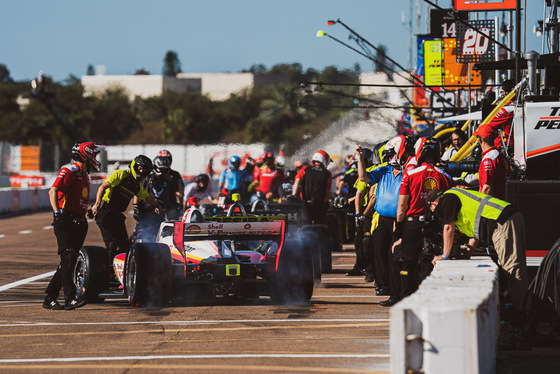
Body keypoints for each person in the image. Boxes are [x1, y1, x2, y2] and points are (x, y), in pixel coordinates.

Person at [428, 188, 528, 313]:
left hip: (502, 222)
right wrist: (468, 253)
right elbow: (475, 234)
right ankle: (524, 307)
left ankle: (522, 312)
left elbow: (449, 227)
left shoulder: (447, 198)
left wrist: (444, 255)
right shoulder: (456, 198)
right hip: (508, 217)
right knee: (517, 266)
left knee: (512, 268)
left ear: (433, 204)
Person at [384, 137, 453, 307]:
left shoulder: (410, 174)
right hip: (437, 225)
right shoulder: (445, 176)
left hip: (412, 224)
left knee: (406, 261)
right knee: (431, 261)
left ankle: (404, 299)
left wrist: (398, 230)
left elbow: (402, 206)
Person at [43, 142, 105, 310]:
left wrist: (89, 210)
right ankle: (70, 297)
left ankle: (50, 297)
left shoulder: (84, 174)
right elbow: (53, 191)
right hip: (66, 219)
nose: (96, 159)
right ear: (87, 155)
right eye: (95, 155)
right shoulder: (70, 171)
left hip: (79, 221)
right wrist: (58, 214)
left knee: (67, 262)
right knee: (69, 259)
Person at [355, 138, 406, 296]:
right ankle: (383, 285)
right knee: (379, 252)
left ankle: (396, 286)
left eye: (392, 154)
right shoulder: (384, 170)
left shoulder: (408, 172)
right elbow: (363, 177)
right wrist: (360, 158)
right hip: (382, 219)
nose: (390, 158)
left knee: (396, 254)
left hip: (399, 220)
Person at [92, 155, 159, 265]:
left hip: (117, 215)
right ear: (134, 166)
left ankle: (121, 269)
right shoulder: (121, 175)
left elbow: (148, 198)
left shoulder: (137, 186)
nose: (142, 172)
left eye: (145, 170)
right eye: (140, 168)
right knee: (112, 243)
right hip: (104, 212)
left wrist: (157, 206)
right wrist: (97, 204)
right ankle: (107, 270)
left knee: (125, 245)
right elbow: (102, 187)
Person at [133, 156, 174, 241]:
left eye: (164, 169)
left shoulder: (168, 182)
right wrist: (136, 207)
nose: (162, 172)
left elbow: (167, 199)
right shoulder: (146, 179)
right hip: (145, 211)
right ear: (155, 168)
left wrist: (163, 208)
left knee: (156, 236)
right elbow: (137, 192)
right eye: (160, 169)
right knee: (140, 235)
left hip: (159, 213)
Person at [292, 150, 332, 225]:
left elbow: (297, 182)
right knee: (320, 226)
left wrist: (294, 194)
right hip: (321, 206)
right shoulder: (328, 174)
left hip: (306, 204)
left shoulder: (304, 170)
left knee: (305, 226)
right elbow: (328, 191)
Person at [474, 124, 510, 199]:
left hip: (493, 204)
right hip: (503, 201)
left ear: (479, 140)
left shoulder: (489, 159)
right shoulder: (499, 154)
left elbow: (487, 188)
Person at [488, 79, 516, 152]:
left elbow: (488, 123)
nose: (501, 94)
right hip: (513, 145)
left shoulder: (506, 110)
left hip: (505, 147)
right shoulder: (516, 107)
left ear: (505, 92)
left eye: (502, 92)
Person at [157, 150, 184, 220]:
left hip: (171, 203)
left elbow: (181, 190)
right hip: (157, 203)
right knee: (155, 224)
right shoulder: (154, 175)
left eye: (167, 160)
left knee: (173, 222)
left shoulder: (175, 175)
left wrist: (181, 205)